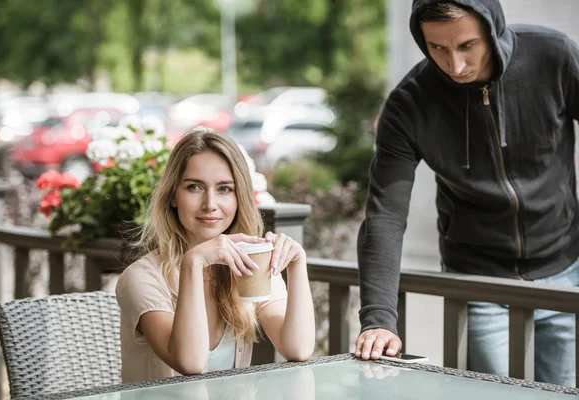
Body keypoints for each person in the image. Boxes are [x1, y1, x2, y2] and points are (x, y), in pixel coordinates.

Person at [355, 0, 579, 387]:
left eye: (466, 46)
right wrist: (378, 318)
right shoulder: (410, 103)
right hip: (476, 283)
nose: (455, 66)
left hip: (564, 270)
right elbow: (385, 216)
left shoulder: (553, 56)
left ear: (493, 28)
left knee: (562, 391)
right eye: (437, 48)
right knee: (491, 395)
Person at [116, 129, 315, 383]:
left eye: (224, 189)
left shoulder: (247, 264)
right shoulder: (141, 279)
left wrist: (297, 264)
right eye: (194, 187)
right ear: (173, 195)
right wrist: (193, 263)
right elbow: (190, 362)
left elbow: (297, 349)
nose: (209, 203)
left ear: (238, 198)